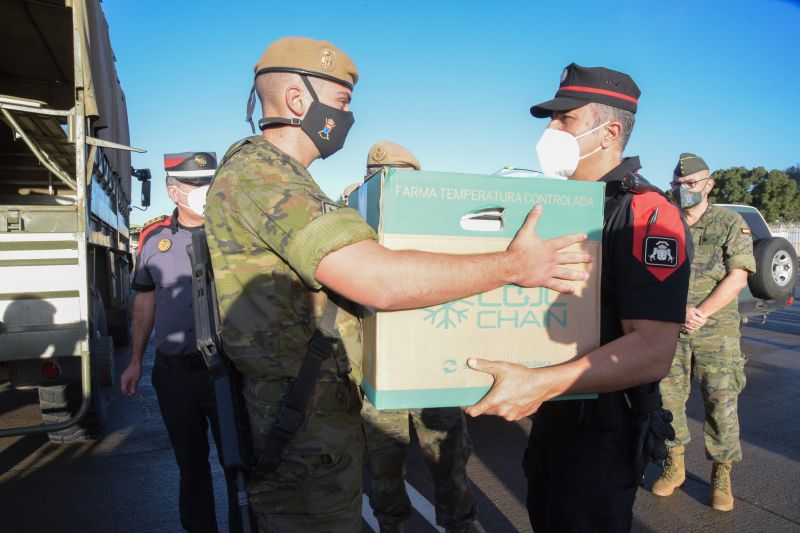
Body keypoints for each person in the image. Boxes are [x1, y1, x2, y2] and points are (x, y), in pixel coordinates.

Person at [204, 37, 591, 532]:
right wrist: (513, 265)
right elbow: (378, 280)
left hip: (306, 423)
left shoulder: (277, 176)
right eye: (342, 103)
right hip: (299, 436)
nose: (347, 117)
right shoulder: (263, 177)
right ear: (299, 101)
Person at [464, 63, 692, 532]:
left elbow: (652, 351)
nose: (550, 130)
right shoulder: (566, 205)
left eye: (564, 119)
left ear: (609, 132)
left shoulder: (646, 213)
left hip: (601, 426)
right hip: (556, 414)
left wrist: (540, 383)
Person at [359, 141, 477, 533]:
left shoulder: (440, 224)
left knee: (449, 458)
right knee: (383, 463)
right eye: (378, 179)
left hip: (432, 367)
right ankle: (391, 524)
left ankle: (460, 524)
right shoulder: (353, 226)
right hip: (379, 368)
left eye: (397, 180)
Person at [121, 152, 241, 533]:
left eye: (210, 181)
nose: (205, 191)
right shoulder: (154, 239)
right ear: (174, 191)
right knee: (191, 465)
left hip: (227, 371)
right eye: (195, 184)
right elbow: (144, 304)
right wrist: (136, 361)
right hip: (176, 375)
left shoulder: (235, 233)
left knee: (238, 462)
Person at [651, 153, 755, 511]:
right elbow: (651, 273)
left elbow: (739, 275)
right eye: (678, 185)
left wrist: (700, 313)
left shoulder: (729, 222)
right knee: (668, 401)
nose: (684, 190)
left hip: (717, 331)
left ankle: (721, 474)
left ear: (709, 185)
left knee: (721, 403)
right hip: (672, 330)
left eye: (691, 184)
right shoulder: (664, 223)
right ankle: (674, 465)